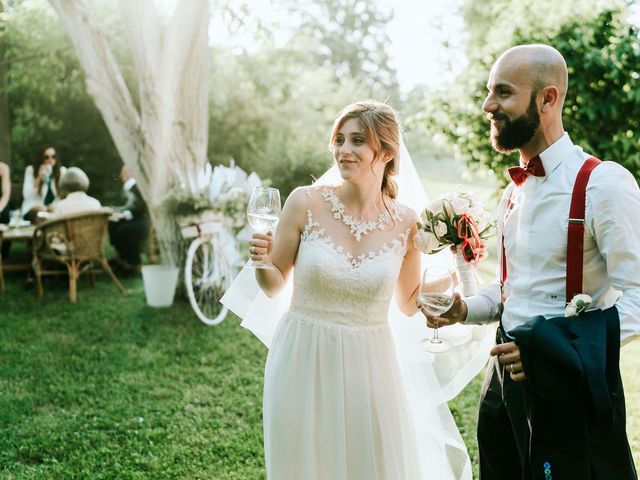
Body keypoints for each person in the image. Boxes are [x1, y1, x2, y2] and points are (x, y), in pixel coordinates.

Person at [222, 100, 494, 479]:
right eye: (339, 140)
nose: (343, 150)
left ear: (385, 152)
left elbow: (409, 302)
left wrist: (453, 270)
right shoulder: (304, 202)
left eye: (357, 141)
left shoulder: (406, 222)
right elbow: (273, 286)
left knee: (370, 464)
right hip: (303, 351)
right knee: (306, 462)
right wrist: (261, 261)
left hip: (371, 360)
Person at [429, 44, 640, 479]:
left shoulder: (604, 185)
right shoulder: (514, 191)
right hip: (501, 383)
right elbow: (515, 290)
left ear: (547, 99)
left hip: (567, 387)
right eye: (489, 92)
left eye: (503, 93)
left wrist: (556, 353)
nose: (488, 106)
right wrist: (465, 309)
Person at [108, 165, 150, 272]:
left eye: (124, 172)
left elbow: (140, 208)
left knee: (123, 231)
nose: (121, 175)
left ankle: (134, 262)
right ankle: (122, 257)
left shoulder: (136, 187)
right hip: (135, 218)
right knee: (112, 225)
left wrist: (124, 213)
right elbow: (129, 206)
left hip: (143, 221)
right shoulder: (129, 188)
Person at [21, 146, 66, 222]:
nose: (50, 160)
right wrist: (39, 177)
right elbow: (27, 195)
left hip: (53, 207)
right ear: (41, 158)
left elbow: (64, 195)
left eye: (53, 157)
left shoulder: (61, 171)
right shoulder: (31, 170)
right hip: (33, 206)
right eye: (46, 157)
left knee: (54, 210)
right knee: (42, 211)